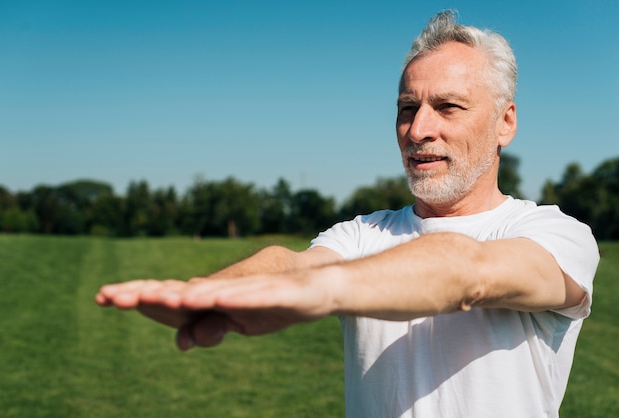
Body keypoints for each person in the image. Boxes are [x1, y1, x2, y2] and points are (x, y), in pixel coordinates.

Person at [96, 10, 599, 418]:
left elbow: (468, 272)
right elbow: (292, 264)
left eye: (447, 107)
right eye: (407, 108)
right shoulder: (363, 233)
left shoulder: (554, 234)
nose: (419, 128)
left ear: (505, 122)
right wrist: (206, 293)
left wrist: (325, 291)